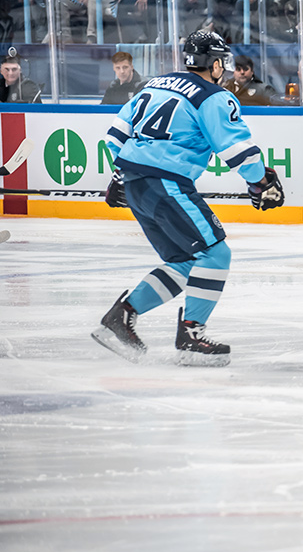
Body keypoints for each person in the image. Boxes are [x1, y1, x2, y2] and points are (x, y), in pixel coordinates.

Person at [92, 30, 286, 367]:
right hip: (167, 183)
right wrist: (262, 182)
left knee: (186, 261)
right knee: (215, 252)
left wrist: (123, 175)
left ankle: (120, 318)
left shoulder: (151, 85)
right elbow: (237, 150)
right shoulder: (213, 96)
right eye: (221, 62)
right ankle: (191, 335)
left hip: (138, 184)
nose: (223, 69)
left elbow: (114, 136)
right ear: (213, 63)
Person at [223, 55, 289, 106]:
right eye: (238, 69)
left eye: (245, 69)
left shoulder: (264, 90)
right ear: (233, 72)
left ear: (252, 71)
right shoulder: (225, 88)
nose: (242, 72)